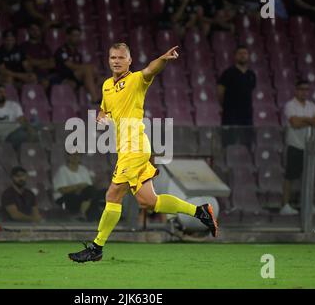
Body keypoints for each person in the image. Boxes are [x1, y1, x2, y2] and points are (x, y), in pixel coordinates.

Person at [68, 43, 218, 263]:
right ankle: (201, 211)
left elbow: (151, 69)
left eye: (121, 57)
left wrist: (164, 59)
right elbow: (104, 109)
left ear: (129, 61)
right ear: (108, 60)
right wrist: (101, 116)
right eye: (112, 57)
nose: (116, 61)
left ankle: (96, 247)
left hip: (135, 147)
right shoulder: (107, 85)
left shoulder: (137, 79)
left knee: (112, 195)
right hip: (127, 149)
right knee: (149, 202)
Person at [281, 80, 315, 216]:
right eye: (301, 89)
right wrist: (310, 120)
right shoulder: (290, 105)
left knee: (309, 178)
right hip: (295, 146)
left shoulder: (312, 105)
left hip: (310, 148)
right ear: (296, 90)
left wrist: (304, 120)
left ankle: (308, 204)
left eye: (306, 90)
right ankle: (285, 205)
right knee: (290, 177)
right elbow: (294, 123)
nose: (304, 92)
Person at [217, 45, 256, 148]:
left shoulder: (251, 74)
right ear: (235, 56)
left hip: (246, 115)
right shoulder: (228, 73)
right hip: (231, 115)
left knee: (247, 143)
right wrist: (226, 106)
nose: (243, 56)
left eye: (245, 53)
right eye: (240, 53)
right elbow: (220, 92)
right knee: (228, 142)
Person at [53, 26, 101, 104]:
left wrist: (92, 69)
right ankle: (94, 99)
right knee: (88, 70)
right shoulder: (61, 50)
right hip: (66, 76)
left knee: (104, 78)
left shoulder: (77, 52)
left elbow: (81, 67)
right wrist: (88, 67)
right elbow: (70, 66)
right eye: (75, 35)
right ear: (68, 36)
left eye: (78, 36)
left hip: (77, 76)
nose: (77, 38)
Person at [53, 153, 104, 221]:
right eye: (73, 155)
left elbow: (89, 187)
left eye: (78, 155)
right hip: (66, 197)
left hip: (82, 195)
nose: (75, 157)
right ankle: (87, 214)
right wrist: (78, 187)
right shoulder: (62, 170)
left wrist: (81, 189)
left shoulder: (83, 169)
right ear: (68, 156)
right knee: (91, 199)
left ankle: (82, 213)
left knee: (99, 193)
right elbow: (61, 189)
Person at [0, 84, 38, 151]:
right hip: (6, 136)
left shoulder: (13, 105)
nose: (2, 94)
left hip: (17, 130)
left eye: (3, 92)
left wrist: (29, 128)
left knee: (36, 124)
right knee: (24, 135)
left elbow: (21, 118)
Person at [21, 22, 55, 90]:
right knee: (44, 82)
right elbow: (30, 62)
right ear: (28, 31)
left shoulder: (45, 46)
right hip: (32, 75)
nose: (35, 32)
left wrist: (36, 63)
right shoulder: (23, 46)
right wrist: (46, 61)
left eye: (37, 30)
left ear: (40, 31)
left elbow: (52, 64)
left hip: (46, 75)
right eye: (32, 29)